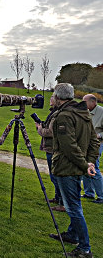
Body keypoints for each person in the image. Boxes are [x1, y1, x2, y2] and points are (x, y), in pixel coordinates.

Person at [48, 83, 99, 258]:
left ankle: (85, 249)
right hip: (78, 166)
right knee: (74, 202)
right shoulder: (82, 112)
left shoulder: (64, 115)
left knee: (73, 208)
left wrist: (86, 164)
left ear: (57, 97)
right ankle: (72, 234)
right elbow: (94, 141)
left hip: (68, 167)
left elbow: (68, 146)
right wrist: (89, 162)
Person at [35, 95, 65, 212]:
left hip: (52, 148)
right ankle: (58, 198)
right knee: (54, 176)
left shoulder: (56, 113)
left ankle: (62, 202)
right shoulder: (54, 112)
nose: (49, 100)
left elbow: (51, 132)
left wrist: (40, 129)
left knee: (55, 176)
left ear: (56, 100)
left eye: (51, 98)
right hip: (51, 147)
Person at [82, 94, 103, 204]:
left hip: (97, 144)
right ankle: (89, 193)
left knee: (94, 167)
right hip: (86, 143)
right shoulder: (85, 111)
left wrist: (99, 135)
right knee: (85, 166)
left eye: (85, 102)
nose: (83, 104)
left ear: (93, 102)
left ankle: (101, 196)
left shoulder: (102, 112)